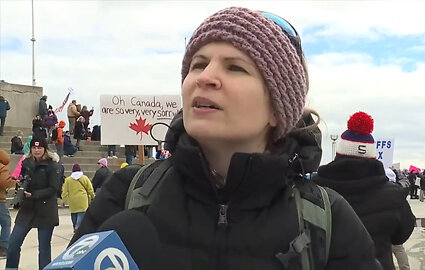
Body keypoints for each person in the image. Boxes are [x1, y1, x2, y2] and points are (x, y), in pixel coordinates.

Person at [70, 7, 382, 270]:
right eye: (198, 64)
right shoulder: (128, 193)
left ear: (277, 109)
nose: (205, 77)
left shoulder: (327, 219)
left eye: (235, 67)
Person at [315, 112, 415, 270]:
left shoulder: (315, 187)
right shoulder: (393, 194)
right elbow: (402, 234)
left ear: (339, 153)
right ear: (372, 156)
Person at [6, 136, 61, 269]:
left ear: (45, 149)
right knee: (13, 243)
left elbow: (54, 189)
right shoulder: (26, 163)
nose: (37, 150)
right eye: (34, 147)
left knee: (44, 248)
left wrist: (35, 194)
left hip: (45, 210)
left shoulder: (53, 166)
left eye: (40, 147)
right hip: (27, 209)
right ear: (30, 149)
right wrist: (20, 183)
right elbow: (24, 179)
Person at [61, 163, 95, 233]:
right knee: (81, 213)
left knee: (74, 213)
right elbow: (90, 188)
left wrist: (63, 201)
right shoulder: (84, 178)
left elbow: (64, 191)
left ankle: (74, 226)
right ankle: (78, 226)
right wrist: (92, 196)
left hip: (72, 199)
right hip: (82, 198)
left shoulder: (68, 180)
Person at [0, 150, 17, 257]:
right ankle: (4, 247)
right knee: (6, 222)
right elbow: (4, 182)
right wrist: (13, 181)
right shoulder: (2, 167)